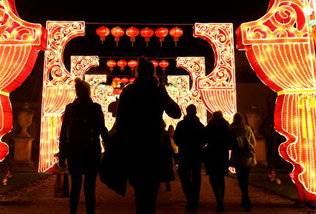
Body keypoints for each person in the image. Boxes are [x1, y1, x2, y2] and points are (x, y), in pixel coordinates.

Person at [115, 57, 181, 214]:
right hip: (154, 145)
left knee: (139, 189)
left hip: (135, 146)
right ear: (153, 73)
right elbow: (176, 113)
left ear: (138, 73)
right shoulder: (157, 91)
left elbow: (120, 122)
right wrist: (163, 93)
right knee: (152, 189)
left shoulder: (129, 91)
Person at [59, 78, 110, 214]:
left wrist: (62, 153)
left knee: (75, 186)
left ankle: (73, 211)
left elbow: (64, 132)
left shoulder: (71, 108)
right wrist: (108, 144)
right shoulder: (95, 108)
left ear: (77, 92)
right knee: (89, 188)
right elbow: (101, 128)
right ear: (88, 92)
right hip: (91, 151)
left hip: (74, 151)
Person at [173, 104, 206, 211]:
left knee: (185, 177)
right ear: (195, 112)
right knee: (196, 177)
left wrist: (183, 145)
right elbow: (204, 140)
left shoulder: (181, 125)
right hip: (196, 154)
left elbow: (176, 139)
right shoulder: (200, 125)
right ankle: (194, 199)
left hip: (184, 154)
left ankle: (190, 197)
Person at [204, 111, 234, 212]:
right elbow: (231, 142)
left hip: (212, 153)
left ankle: (218, 198)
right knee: (221, 178)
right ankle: (221, 198)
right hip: (222, 153)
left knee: (213, 178)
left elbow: (204, 139)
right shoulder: (226, 127)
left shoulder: (209, 127)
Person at [229, 112, 256, 211]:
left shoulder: (231, 130)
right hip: (247, 157)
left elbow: (229, 144)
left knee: (241, 179)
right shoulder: (247, 129)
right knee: (245, 178)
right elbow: (253, 142)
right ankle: (245, 198)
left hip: (237, 156)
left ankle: (245, 197)